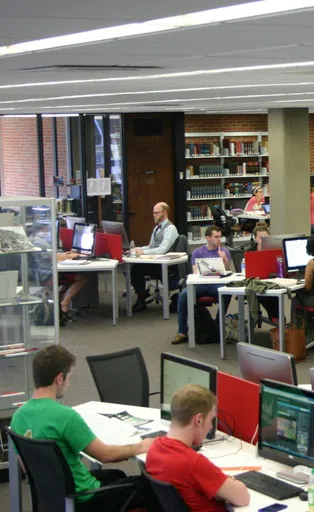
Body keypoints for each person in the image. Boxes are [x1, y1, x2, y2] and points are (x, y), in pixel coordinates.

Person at [10, 345, 157, 510]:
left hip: (54, 494)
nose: (69, 384)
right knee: (152, 488)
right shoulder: (66, 416)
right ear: (59, 379)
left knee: (117, 475)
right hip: (85, 498)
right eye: (69, 378)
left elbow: (28, 468)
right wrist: (141, 446)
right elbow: (105, 455)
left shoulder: (18, 417)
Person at [145, 384, 250, 511]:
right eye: (211, 419)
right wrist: (228, 483)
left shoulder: (155, 447)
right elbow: (242, 498)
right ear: (199, 420)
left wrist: (217, 484)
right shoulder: (193, 463)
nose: (211, 426)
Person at [171, 225, 233, 345]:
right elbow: (195, 271)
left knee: (227, 293)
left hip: (217, 285)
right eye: (216, 237)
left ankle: (217, 325)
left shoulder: (224, 251)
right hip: (201, 284)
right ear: (208, 238)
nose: (219, 239)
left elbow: (229, 271)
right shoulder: (197, 252)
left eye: (220, 237)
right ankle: (182, 332)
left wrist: (225, 260)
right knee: (183, 296)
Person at [130, 202, 179, 312]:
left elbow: (163, 249)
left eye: (156, 213)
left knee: (135, 269)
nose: (154, 215)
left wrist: (143, 253)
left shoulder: (170, 229)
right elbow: (151, 246)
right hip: (156, 262)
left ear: (164, 213)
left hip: (165, 264)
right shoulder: (157, 228)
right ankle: (142, 295)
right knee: (133, 268)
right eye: (153, 213)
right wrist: (138, 249)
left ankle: (141, 299)